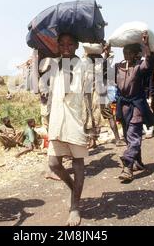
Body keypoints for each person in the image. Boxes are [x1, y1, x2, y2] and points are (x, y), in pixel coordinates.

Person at [47, 33, 88, 226]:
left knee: (77, 163)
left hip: (74, 120)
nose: (66, 47)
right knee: (54, 164)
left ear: (77, 45)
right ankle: (74, 189)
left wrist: (91, 122)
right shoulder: (54, 65)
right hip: (57, 120)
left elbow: (87, 93)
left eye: (70, 44)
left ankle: (75, 207)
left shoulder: (83, 66)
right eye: (62, 44)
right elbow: (52, 93)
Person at [115, 32, 154, 182]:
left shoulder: (139, 67)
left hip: (136, 106)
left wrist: (146, 45)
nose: (126, 54)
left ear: (136, 54)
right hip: (123, 107)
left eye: (130, 52)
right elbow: (104, 73)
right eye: (125, 52)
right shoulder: (118, 67)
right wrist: (104, 56)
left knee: (134, 136)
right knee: (128, 136)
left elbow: (149, 63)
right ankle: (138, 162)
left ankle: (127, 167)